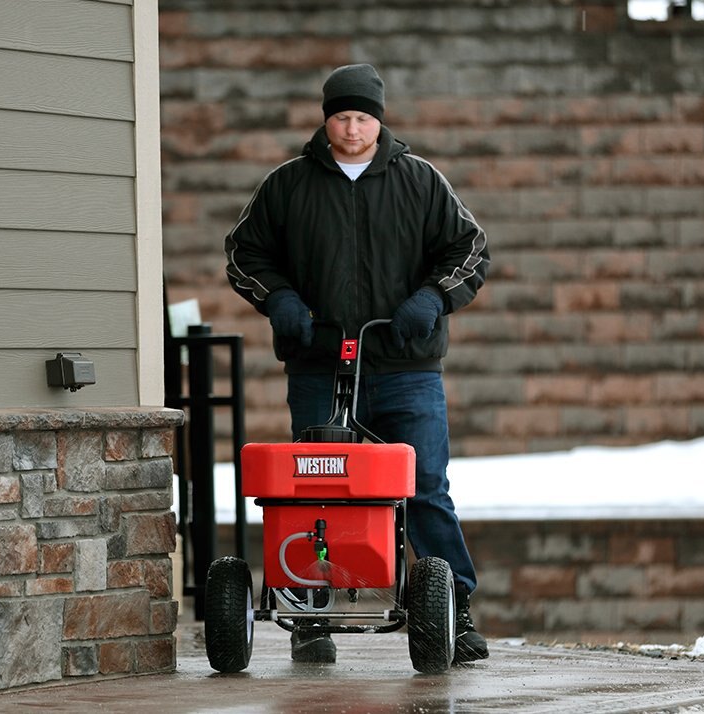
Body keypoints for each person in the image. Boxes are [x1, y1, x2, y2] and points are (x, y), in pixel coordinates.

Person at [225, 63, 491, 665]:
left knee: (424, 488)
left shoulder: (420, 181)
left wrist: (431, 298)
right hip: (320, 364)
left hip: (405, 368)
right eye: (343, 117)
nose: (353, 128)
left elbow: (470, 248)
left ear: (379, 121)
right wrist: (281, 300)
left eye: (363, 118)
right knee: (313, 491)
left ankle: (456, 608)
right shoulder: (288, 185)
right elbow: (245, 254)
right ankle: (309, 616)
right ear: (326, 120)